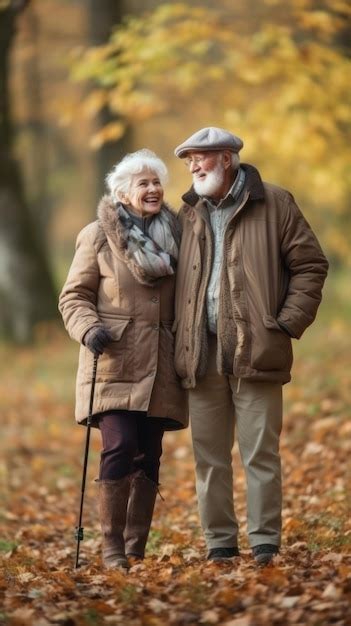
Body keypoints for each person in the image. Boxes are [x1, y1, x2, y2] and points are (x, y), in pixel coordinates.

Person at [172, 127, 328, 565]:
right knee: (209, 458)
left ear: (226, 158)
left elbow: (310, 265)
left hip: (257, 349)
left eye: (200, 158)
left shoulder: (275, 202)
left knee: (260, 452)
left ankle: (264, 543)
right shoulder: (188, 213)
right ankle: (219, 543)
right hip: (201, 355)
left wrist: (285, 323)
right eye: (188, 161)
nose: (193, 167)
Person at [59, 149, 188, 571]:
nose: (152, 190)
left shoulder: (179, 234)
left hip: (161, 362)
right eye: (143, 184)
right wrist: (88, 328)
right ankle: (112, 547)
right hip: (113, 356)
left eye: (156, 183)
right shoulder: (97, 235)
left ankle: (135, 547)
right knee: (119, 446)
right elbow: (73, 296)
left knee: (149, 453)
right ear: (122, 193)